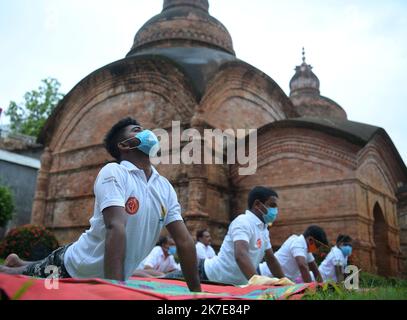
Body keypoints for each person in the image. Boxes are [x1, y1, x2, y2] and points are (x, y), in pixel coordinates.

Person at [0, 117, 201, 292]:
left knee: (26, 267)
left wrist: (196, 293)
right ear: (124, 145)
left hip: (91, 263)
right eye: (137, 130)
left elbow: (184, 241)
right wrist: (114, 290)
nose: (148, 133)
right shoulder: (114, 172)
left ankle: (19, 261)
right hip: (72, 267)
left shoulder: (164, 187)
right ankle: (15, 264)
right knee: (14, 274)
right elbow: (116, 226)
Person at [166, 186, 285, 286]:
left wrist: (284, 282)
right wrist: (257, 281)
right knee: (158, 284)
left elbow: (271, 260)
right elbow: (241, 255)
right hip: (205, 274)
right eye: (272, 205)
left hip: (228, 284)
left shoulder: (263, 230)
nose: (275, 210)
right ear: (258, 204)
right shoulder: (243, 222)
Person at [259, 225, 328, 283]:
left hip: (274, 280)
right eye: (317, 245)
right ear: (310, 240)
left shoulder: (306, 250)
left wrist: (322, 288)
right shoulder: (298, 242)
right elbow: (302, 265)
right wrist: (310, 290)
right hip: (263, 276)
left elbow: (315, 269)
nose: (317, 249)